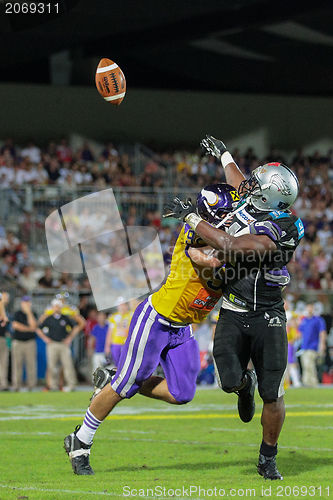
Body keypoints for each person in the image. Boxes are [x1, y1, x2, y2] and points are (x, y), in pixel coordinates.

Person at [63, 183, 238, 475]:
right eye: (227, 214)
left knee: (182, 393)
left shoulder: (229, 236)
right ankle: (80, 441)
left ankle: (114, 375)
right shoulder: (196, 234)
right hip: (157, 319)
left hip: (183, 327)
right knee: (123, 386)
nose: (232, 218)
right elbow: (207, 258)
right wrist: (241, 252)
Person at [164, 135, 304, 480]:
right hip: (233, 308)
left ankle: (268, 456)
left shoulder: (282, 227)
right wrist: (225, 154)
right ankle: (244, 385)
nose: (250, 184)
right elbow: (239, 180)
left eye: (259, 183)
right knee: (228, 381)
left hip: (267, 315)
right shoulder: (258, 201)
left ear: (271, 194)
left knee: (272, 392)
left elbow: (229, 243)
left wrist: (192, 219)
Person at [37, 299, 83, 391]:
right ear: (53, 307)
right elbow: (38, 327)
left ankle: (71, 385)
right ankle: (53, 385)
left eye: (58, 306)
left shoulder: (65, 318)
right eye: (55, 306)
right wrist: (45, 338)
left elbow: (76, 327)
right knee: (52, 365)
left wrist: (70, 338)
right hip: (52, 344)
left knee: (68, 365)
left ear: (61, 307)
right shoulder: (48, 318)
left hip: (63, 344)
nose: (57, 308)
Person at [11, 296, 43, 391]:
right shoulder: (17, 313)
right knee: (17, 365)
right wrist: (29, 329)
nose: (26, 304)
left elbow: (34, 325)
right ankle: (16, 386)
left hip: (30, 342)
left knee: (31, 364)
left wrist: (29, 313)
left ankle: (31, 386)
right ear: (21, 303)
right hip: (18, 342)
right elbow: (16, 326)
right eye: (25, 302)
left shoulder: (33, 313)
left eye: (28, 302)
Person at [298, 302, 327, 387]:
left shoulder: (318, 320)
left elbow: (322, 333)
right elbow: (300, 333)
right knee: (305, 365)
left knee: (309, 365)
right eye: (308, 307)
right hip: (304, 346)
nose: (309, 309)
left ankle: (313, 382)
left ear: (313, 309)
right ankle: (307, 382)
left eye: (311, 308)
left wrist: (322, 344)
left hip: (313, 346)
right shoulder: (304, 320)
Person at [104, 302, 132, 367]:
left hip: (126, 344)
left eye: (123, 305)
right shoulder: (113, 317)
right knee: (117, 364)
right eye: (119, 305)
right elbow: (110, 332)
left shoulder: (131, 315)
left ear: (126, 306)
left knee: (126, 364)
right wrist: (107, 346)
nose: (121, 307)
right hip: (116, 343)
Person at [0, 292, 10, 390]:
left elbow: (5, 321)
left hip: (3, 338)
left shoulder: (6, 309)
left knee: (3, 362)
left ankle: (3, 384)